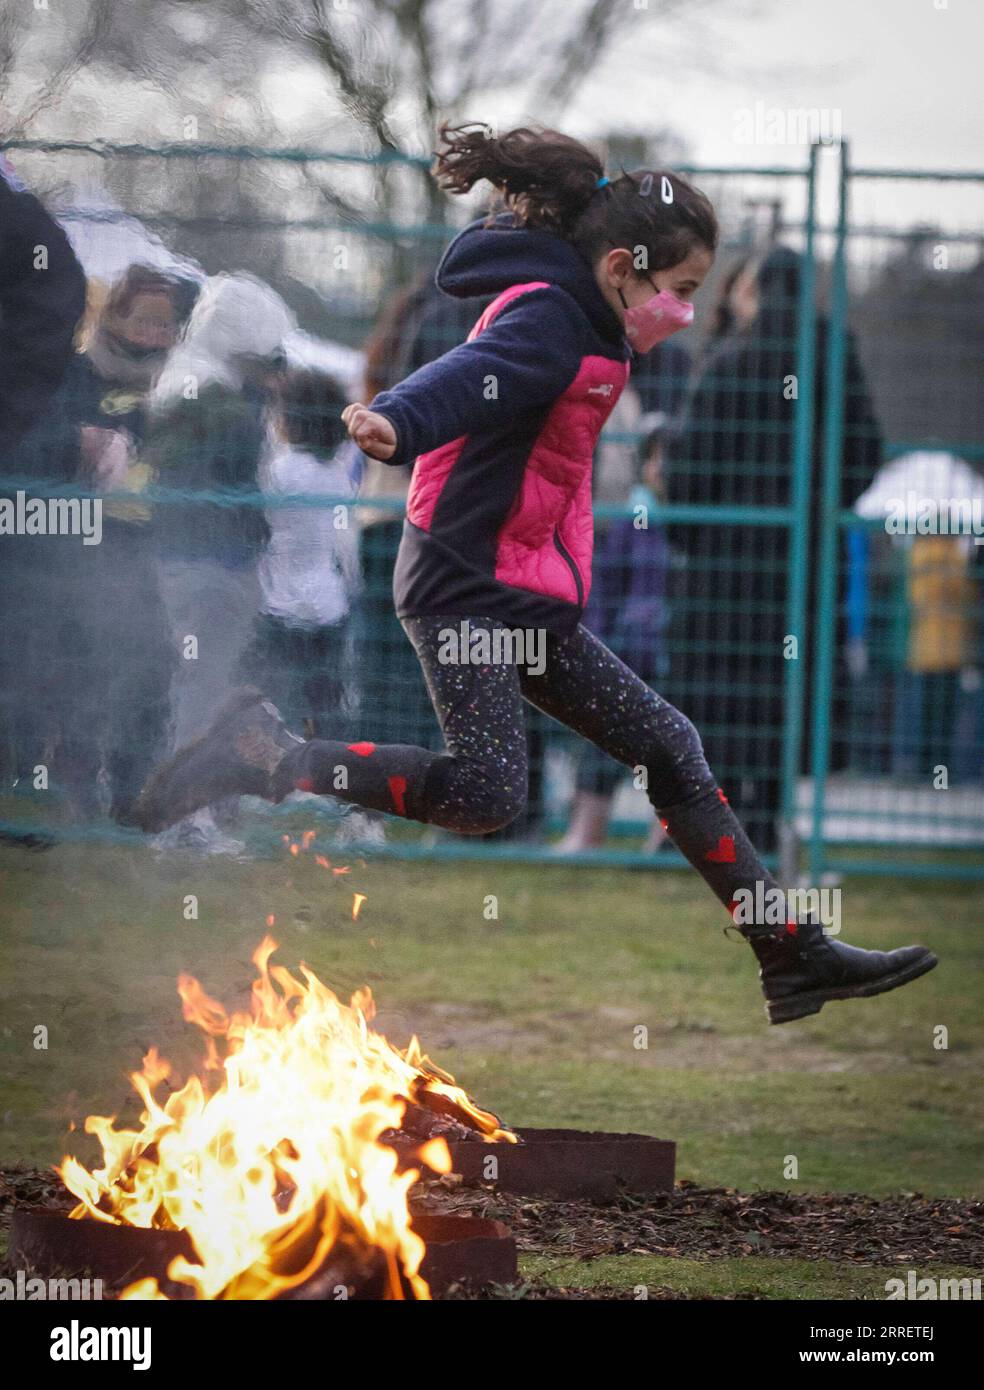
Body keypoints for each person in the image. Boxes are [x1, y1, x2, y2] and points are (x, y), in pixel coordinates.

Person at [135, 124, 936, 1026]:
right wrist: (397, 418)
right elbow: (476, 372)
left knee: (668, 744)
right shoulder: (553, 319)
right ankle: (265, 754)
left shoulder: (589, 321)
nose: (683, 311)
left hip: (524, 592)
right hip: (466, 586)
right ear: (623, 268)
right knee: (488, 796)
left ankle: (792, 954)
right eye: (677, 290)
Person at [666, 246, 883, 854]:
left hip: (725, 563)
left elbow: (689, 471)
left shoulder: (729, 361)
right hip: (806, 559)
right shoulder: (835, 354)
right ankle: (775, 818)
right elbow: (866, 451)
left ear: (754, 290)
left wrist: (692, 528)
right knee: (792, 687)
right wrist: (820, 507)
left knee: (723, 690)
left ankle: (724, 825)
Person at [555, 414, 674, 854]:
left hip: (674, 657)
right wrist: (599, 642)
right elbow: (604, 588)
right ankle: (587, 831)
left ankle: (666, 836)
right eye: (655, 460)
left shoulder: (687, 528)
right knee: (604, 740)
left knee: (672, 748)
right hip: (629, 651)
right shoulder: (632, 520)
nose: (660, 470)